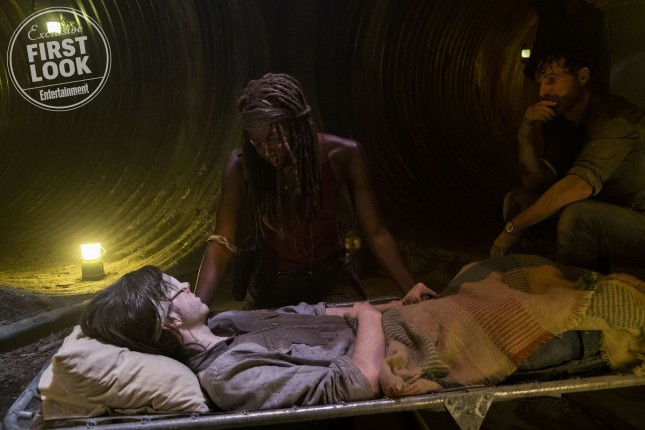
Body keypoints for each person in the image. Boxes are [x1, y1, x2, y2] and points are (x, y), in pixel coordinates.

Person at [80, 263, 644, 412]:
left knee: (489, 276)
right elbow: (356, 381)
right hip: (408, 350)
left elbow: (306, 310)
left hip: (391, 325)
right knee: (528, 314)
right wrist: (372, 317)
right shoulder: (229, 375)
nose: (183, 283)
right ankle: (603, 336)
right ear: (167, 320)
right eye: (170, 288)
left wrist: (389, 305)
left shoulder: (228, 325)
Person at [195, 73, 436, 309]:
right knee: (248, 333)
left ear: (296, 124)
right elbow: (222, 241)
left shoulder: (343, 154)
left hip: (332, 278)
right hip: (273, 281)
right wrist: (196, 308)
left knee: (354, 326)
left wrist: (412, 289)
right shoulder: (242, 165)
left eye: (274, 138)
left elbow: (376, 233)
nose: (267, 151)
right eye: (257, 144)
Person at [490, 46, 645, 273]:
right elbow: (536, 184)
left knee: (579, 216)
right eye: (540, 83)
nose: (543, 91)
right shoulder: (567, 123)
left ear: (582, 77)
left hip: (639, 217)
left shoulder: (614, 118)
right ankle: (530, 279)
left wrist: (513, 228)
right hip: (609, 210)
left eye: (552, 80)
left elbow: (579, 185)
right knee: (519, 201)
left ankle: (575, 290)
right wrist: (525, 135)